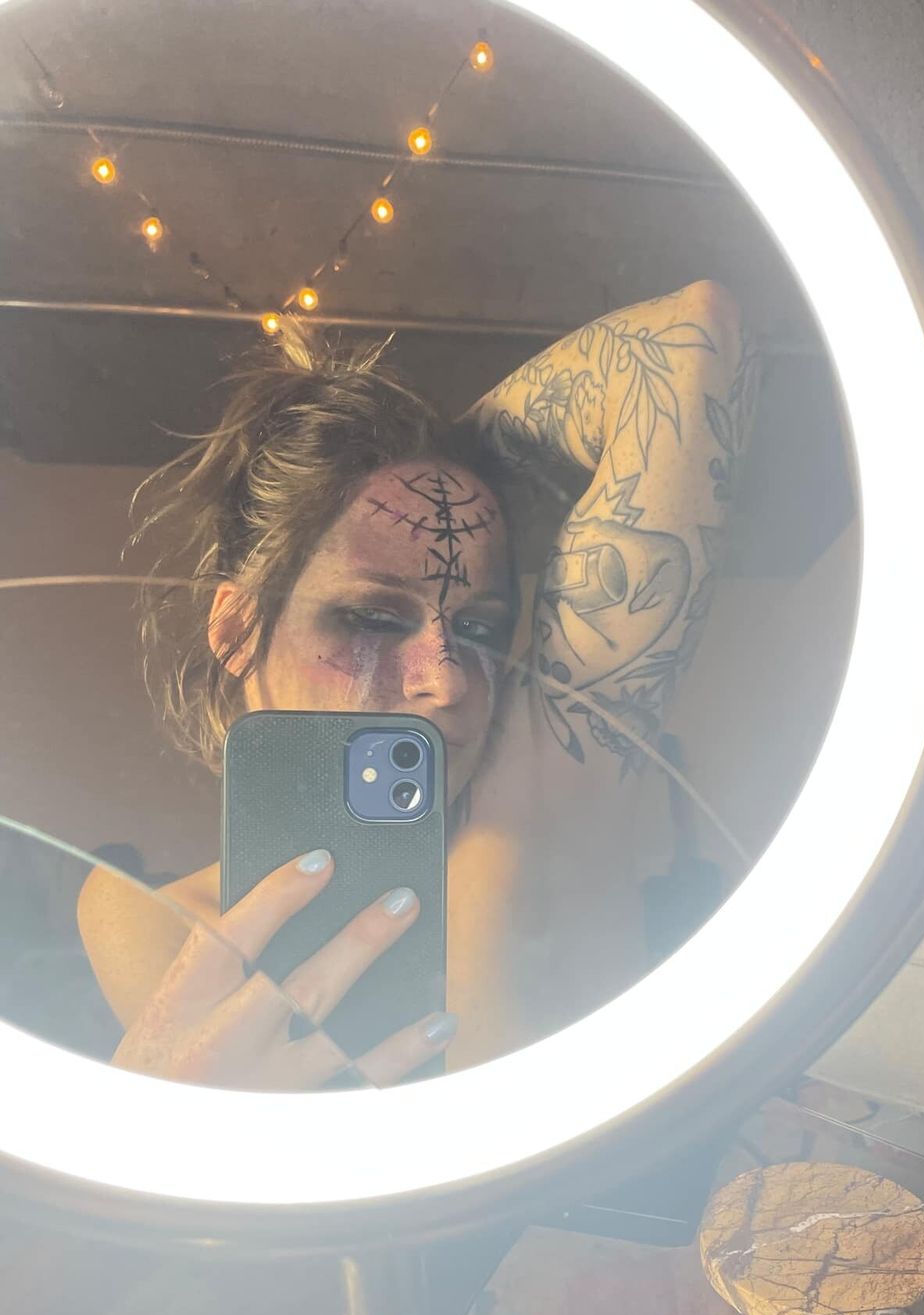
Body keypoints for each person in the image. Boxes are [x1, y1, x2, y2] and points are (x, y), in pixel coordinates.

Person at [76, 280, 760, 1090]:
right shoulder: (147, 917)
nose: (446, 680)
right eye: (371, 618)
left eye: (480, 629)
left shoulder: (537, 804)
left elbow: (693, 336)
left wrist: (441, 468)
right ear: (234, 629)